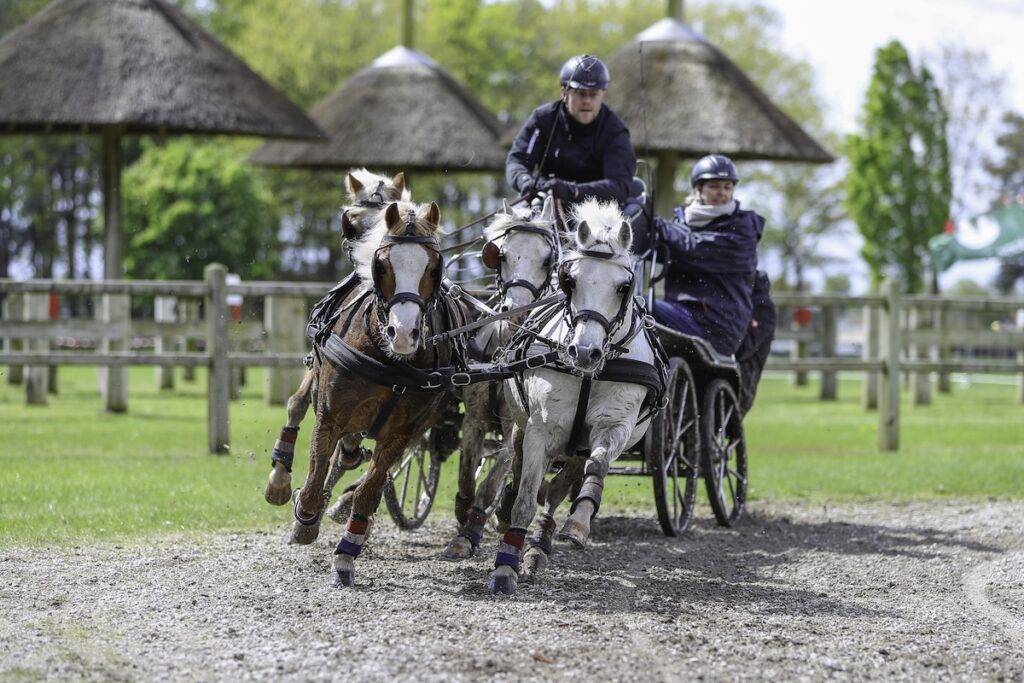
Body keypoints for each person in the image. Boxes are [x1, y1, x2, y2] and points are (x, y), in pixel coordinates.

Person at [652, 154, 764, 357]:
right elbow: (662, 249)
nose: (722, 193)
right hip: (683, 312)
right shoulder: (681, 223)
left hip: (716, 326)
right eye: (714, 186)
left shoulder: (742, 228)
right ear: (698, 189)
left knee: (641, 306)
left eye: (727, 187)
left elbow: (692, 247)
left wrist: (654, 222)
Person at [506, 55, 637, 206]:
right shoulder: (542, 119)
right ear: (564, 93)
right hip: (545, 201)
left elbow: (620, 186)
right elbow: (517, 160)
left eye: (593, 94)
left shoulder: (615, 131)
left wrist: (572, 191)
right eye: (581, 93)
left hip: (598, 209)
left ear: (603, 95)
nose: (587, 101)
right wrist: (524, 181)